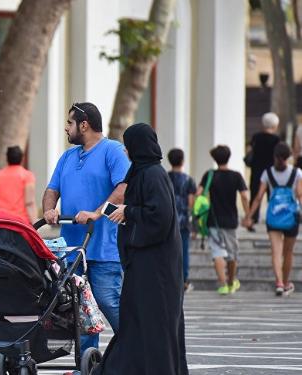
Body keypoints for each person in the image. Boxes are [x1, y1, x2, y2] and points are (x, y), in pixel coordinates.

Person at [94, 123, 188, 375]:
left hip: (157, 268)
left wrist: (129, 211)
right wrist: (127, 214)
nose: (125, 150)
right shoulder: (141, 172)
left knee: (154, 321)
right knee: (137, 319)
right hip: (144, 264)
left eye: (128, 145)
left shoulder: (153, 175)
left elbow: (160, 216)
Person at [42, 102, 130, 354]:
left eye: (69, 123)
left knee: (106, 300)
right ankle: (87, 362)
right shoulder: (68, 156)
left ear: (84, 125)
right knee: (79, 306)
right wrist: (50, 209)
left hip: (103, 246)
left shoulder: (112, 150)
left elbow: (123, 188)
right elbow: (52, 190)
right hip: (71, 250)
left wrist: (96, 212)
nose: (66, 128)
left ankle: (136, 347)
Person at [243, 142, 300, 296]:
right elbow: (300, 195)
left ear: (274, 156)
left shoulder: (268, 173)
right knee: (288, 252)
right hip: (291, 217)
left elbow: (258, 197)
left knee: (276, 251)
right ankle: (286, 282)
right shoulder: (297, 173)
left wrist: (248, 216)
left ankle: (279, 283)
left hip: (273, 217)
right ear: (288, 157)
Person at [197, 145, 249, 295]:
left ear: (214, 158)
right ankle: (232, 282)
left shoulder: (210, 175)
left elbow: (198, 193)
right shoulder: (236, 176)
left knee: (217, 251)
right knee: (232, 252)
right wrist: (247, 215)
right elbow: (245, 196)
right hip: (231, 220)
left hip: (214, 220)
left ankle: (223, 284)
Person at [167, 148, 197, 292]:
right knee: (183, 251)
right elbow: (191, 202)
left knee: (167, 250)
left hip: (168, 220)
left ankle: (169, 278)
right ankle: (184, 280)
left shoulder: (165, 177)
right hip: (183, 220)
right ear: (183, 161)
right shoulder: (188, 180)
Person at [246, 112, 280, 231]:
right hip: (272, 172)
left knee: (255, 194)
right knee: (272, 195)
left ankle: (252, 219)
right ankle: (272, 218)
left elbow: (249, 150)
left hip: (257, 170)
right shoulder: (277, 139)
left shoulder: (256, 137)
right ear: (275, 125)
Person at [0, 145, 37, 223]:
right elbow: (29, 203)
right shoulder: (27, 176)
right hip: (20, 223)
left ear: (7, 158)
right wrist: (35, 225)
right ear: (22, 158)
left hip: (2, 221)